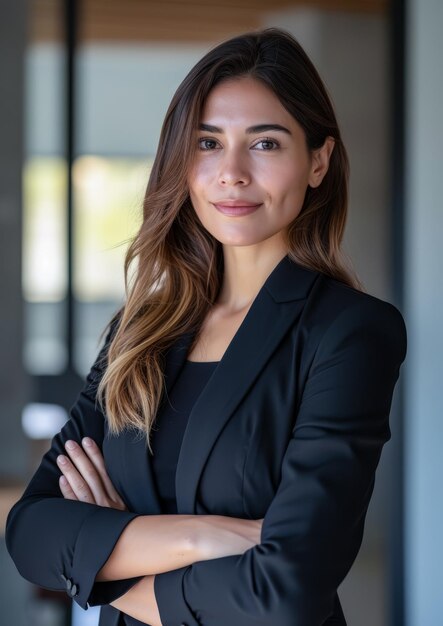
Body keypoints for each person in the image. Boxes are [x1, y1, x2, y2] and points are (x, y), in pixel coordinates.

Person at [6, 27, 407, 626]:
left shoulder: (348, 333)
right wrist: (202, 536)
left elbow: (283, 593)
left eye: (266, 144)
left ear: (318, 161)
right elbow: (31, 533)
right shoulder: (138, 331)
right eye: (207, 143)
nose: (232, 173)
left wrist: (107, 563)